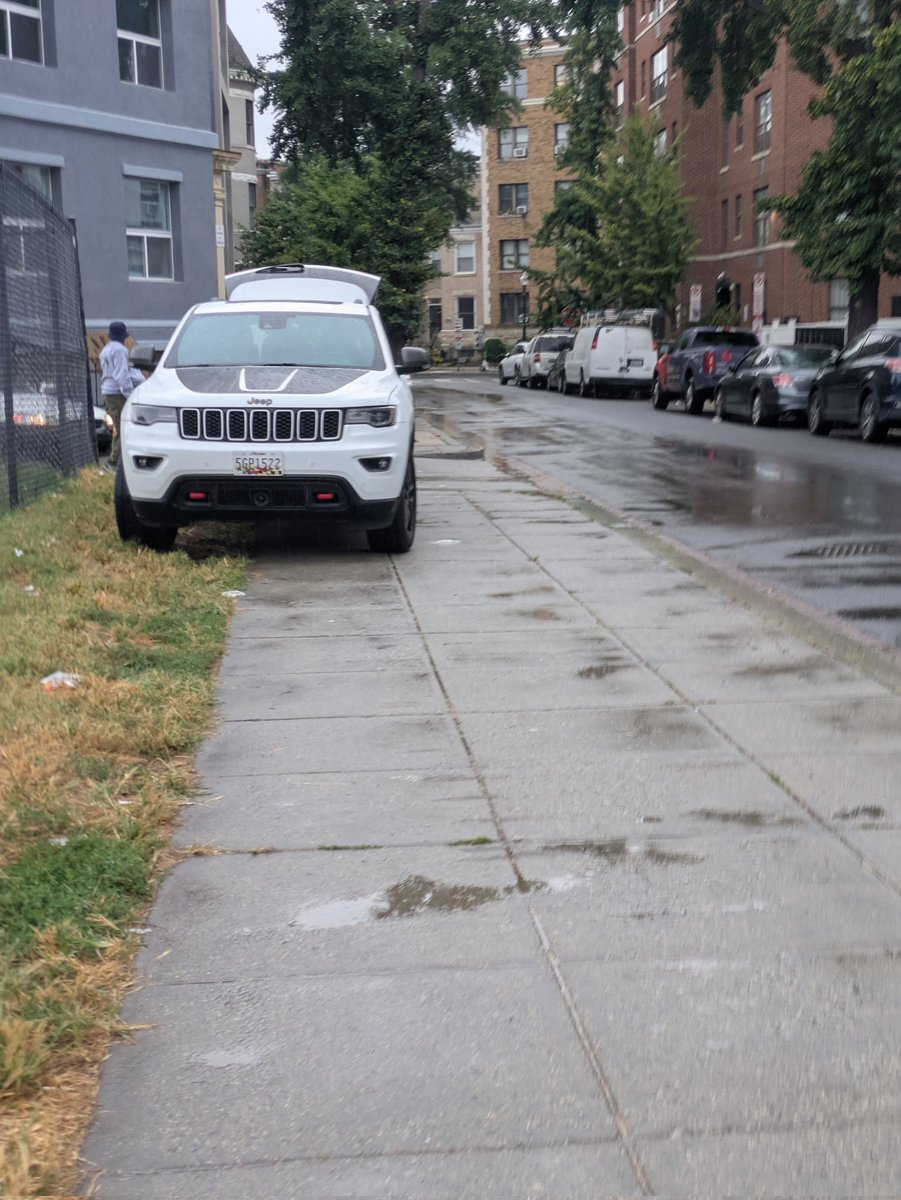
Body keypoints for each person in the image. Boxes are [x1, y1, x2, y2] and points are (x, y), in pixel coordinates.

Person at [98, 321, 134, 467]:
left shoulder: (105, 350)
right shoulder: (120, 350)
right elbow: (121, 376)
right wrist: (130, 394)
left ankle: (116, 460)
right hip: (117, 393)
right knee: (122, 428)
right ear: (123, 337)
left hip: (107, 392)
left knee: (116, 428)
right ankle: (114, 462)